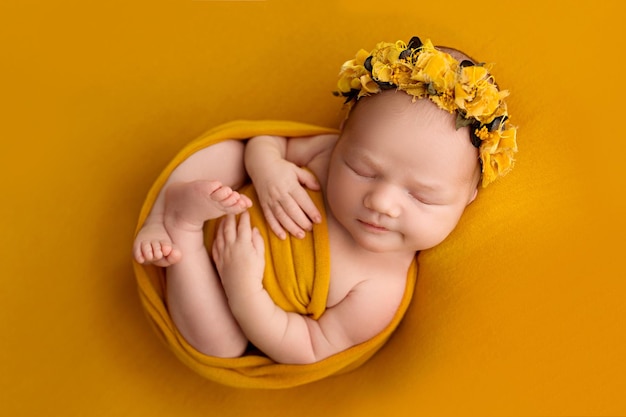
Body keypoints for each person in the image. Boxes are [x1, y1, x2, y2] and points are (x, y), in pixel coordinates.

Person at [132, 36, 517, 365]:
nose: (381, 201)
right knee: (233, 150)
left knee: (221, 345)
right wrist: (268, 170)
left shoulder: (381, 288)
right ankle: (161, 214)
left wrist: (242, 288)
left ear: (468, 197)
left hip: (224, 293)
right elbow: (269, 141)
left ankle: (181, 229)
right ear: (343, 136)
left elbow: (308, 346)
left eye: (421, 196)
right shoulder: (327, 154)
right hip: (234, 200)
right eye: (363, 169)